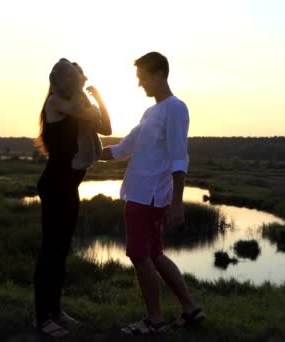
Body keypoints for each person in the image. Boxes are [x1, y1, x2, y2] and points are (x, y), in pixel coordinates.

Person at [99, 52, 205, 335]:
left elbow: (179, 158)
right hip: (139, 195)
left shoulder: (175, 108)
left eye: (143, 78)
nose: (140, 84)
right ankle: (191, 309)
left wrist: (178, 204)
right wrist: (86, 152)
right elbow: (122, 149)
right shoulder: (150, 112)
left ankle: (154, 320)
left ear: (159, 75)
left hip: (149, 198)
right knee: (155, 254)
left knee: (138, 255)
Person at [33, 58, 112, 338]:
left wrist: (96, 96)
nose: (83, 79)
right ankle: (43, 319)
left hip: (69, 187)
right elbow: (86, 113)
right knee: (50, 253)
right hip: (55, 185)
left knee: (61, 251)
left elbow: (105, 126)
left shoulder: (75, 104)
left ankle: (55, 310)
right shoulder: (56, 102)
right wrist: (84, 89)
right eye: (78, 76)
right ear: (67, 80)